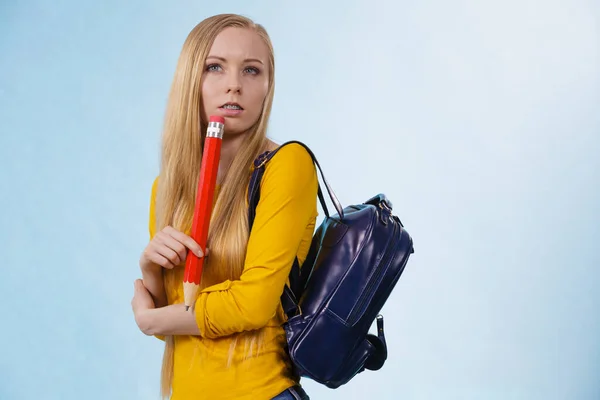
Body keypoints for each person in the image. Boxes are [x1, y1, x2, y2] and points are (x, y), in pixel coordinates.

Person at [130, 13, 317, 400]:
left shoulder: (286, 166)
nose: (234, 85)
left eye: (251, 71)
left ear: (268, 86)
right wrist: (150, 271)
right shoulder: (166, 188)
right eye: (215, 67)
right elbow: (179, 323)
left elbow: (252, 305)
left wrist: (150, 319)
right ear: (190, 82)